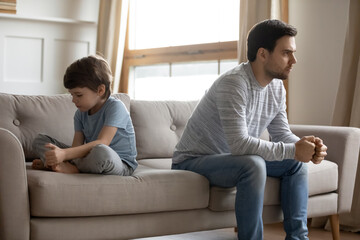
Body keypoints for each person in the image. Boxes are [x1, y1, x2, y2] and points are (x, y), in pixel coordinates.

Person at [172, 19, 327, 240]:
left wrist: (306, 147)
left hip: (231, 159)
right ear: (263, 53)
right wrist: (293, 150)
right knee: (253, 163)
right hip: (194, 160)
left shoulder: (276, 87)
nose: (294, 60)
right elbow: (240, 144)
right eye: (286, 53)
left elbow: (281, 133)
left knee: (296, 163)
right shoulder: (234, 83)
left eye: (293, 53)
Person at [32, 55, 137, 176]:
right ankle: (56, 163)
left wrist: (64, 154)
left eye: (78, 95)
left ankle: (72, 168)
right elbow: (76, 147)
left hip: (120, 163)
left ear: (100, 90)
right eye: (72, 95)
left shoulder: (116, 107)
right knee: (40, 140)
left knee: (101, 151)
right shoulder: (80, 114)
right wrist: (62, 154)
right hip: (91, 155)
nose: (73, 100)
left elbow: (103, 142)